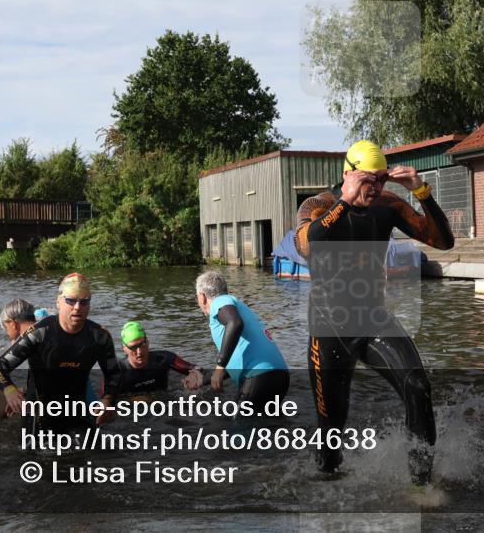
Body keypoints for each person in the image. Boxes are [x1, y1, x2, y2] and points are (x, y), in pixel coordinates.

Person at [294, 140, 454, 485]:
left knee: (417, 386)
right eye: (369, 180)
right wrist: (345, 203)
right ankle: (328, 495)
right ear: (349, 174)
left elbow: (443, 242)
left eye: (382, 179)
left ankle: (421, 486)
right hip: (329, 331)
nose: (377, 187)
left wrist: (422, 192)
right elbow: (306, 244)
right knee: (331, 437)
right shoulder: (318, 205)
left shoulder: (388, 204)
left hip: (373, 319)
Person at [0, 273, 120, 431]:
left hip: (76, 412)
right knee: (29, 455)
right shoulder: (39, 333)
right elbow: (0, 364)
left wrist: (107, 400)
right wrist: (9, 390)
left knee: (99, 453)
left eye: (84, 301)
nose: (77, 307)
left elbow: (114, 373)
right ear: (59, 302)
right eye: (71, 300)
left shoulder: (100, 337)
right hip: (38, 416)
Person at [194, 271, 289, 409]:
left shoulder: (220, 302)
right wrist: (203, 379)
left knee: (240, 428)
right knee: (269, 426)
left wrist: (219, 368)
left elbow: (235, 323)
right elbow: (234, 362)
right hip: (279, 376)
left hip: (259, 376)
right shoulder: (234, 306)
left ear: (202, 297)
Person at [116, 321, 205, 400]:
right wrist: (132, 399)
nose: (139, 352)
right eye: (133, 347)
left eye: (142, 344)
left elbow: (195, 368)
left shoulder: (162, 359)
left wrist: (195, 374)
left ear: (147, 342)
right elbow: (107, 400)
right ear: (124, 349)